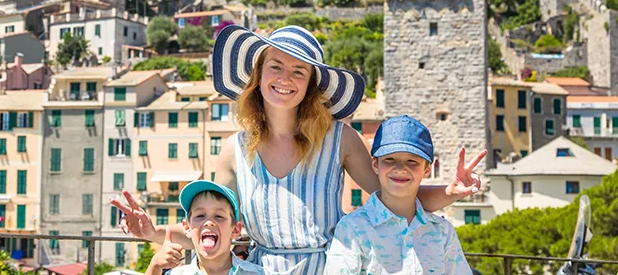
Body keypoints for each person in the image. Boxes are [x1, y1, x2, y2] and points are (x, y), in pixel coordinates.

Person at [113, 25, 486, 274]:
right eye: (276, 67)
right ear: (258, 77)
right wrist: (149, 231)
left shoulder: (339, 139)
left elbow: (396, 198)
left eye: (299, 72)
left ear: (310, 85)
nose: (285, 79)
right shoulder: (233, 151)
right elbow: (218, 232)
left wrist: (450, 193)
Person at [324, 115, 473, 275]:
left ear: (427, 170)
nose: (400, 168)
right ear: (375, 164)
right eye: (390, 159)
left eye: (412, 161)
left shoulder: (443, 232)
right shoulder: (353, 229)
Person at [145, 180, 265, 275]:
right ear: (187, 228)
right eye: (200, 215)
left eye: (218, 216)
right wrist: (155, 265)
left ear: (235, 230)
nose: (209, 222)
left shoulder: (256, 273)